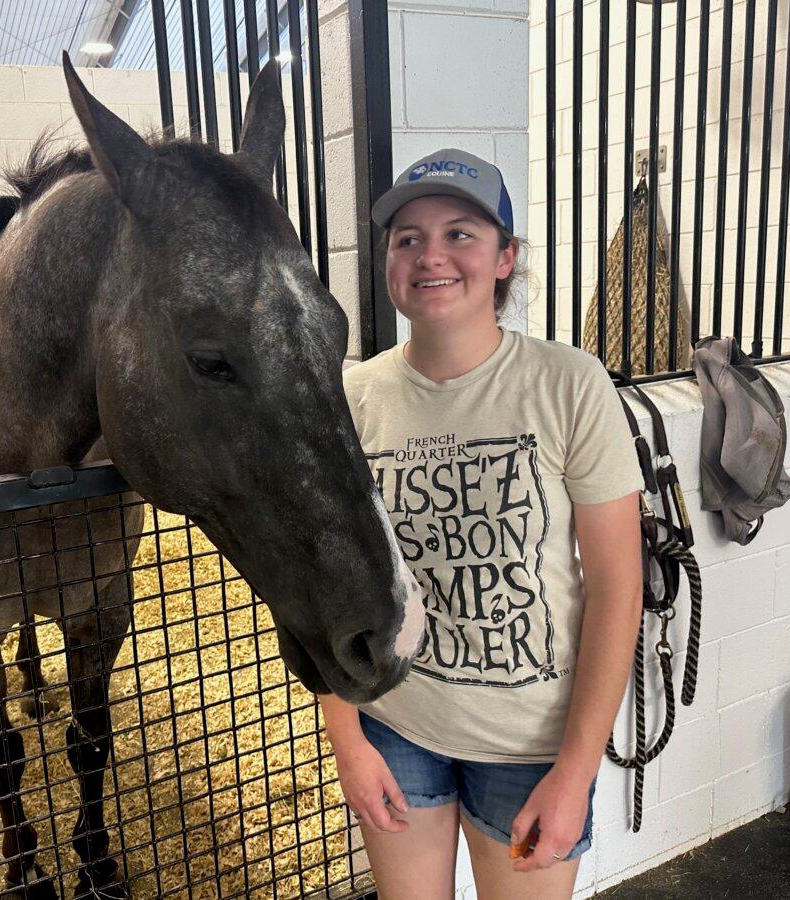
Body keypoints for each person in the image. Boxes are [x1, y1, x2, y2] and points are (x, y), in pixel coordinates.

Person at [323, 149, 644, 899]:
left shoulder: (570, 385)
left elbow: (617, 589)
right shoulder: (353, 395)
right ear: (390, 263)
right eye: (408, 238)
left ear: (506, 258)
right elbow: (330, 585)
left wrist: (576, 771)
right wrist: (346, 739)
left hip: (530, 746)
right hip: (394, 727)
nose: (431, 254)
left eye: (460, 233)